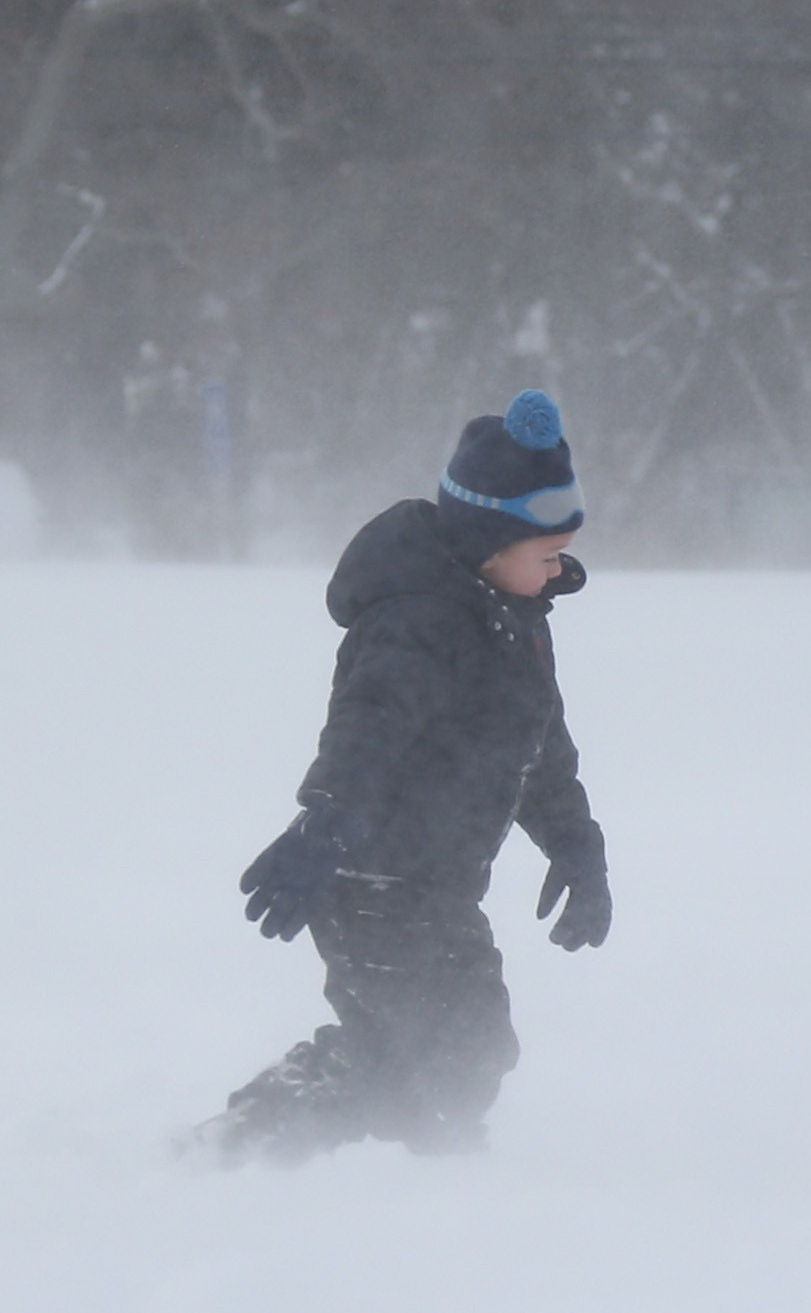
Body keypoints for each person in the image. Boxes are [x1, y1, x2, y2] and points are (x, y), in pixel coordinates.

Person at [208, 392, 611, 1161]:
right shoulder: (418, 622)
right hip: (370, 880)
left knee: (416, 1050)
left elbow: (540, 748)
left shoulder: (514, 622)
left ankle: (267, 1141)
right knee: (461, 1045)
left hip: (435, 887)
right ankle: (426, 1171)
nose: (559, 567)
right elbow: (370, 729)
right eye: (545, 552)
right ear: (492, 543)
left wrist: (575, 845)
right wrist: (323, 820)